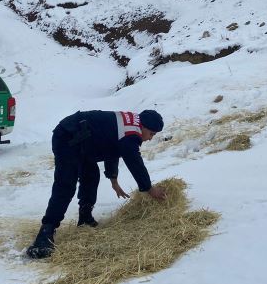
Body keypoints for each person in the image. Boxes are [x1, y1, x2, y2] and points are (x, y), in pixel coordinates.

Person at [27, 109, 166, 259]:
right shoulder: (132, 133)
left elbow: (113, 148)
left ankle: (85, 217)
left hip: (84, 140)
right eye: (151, 134)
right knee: (66, 184)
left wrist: (113, 180)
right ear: (143, 126)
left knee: (91, 175)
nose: (150, 138)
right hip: (68, 136)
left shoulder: (131, 126)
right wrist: (149, 189)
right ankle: (45, 233)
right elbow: (134, 162)